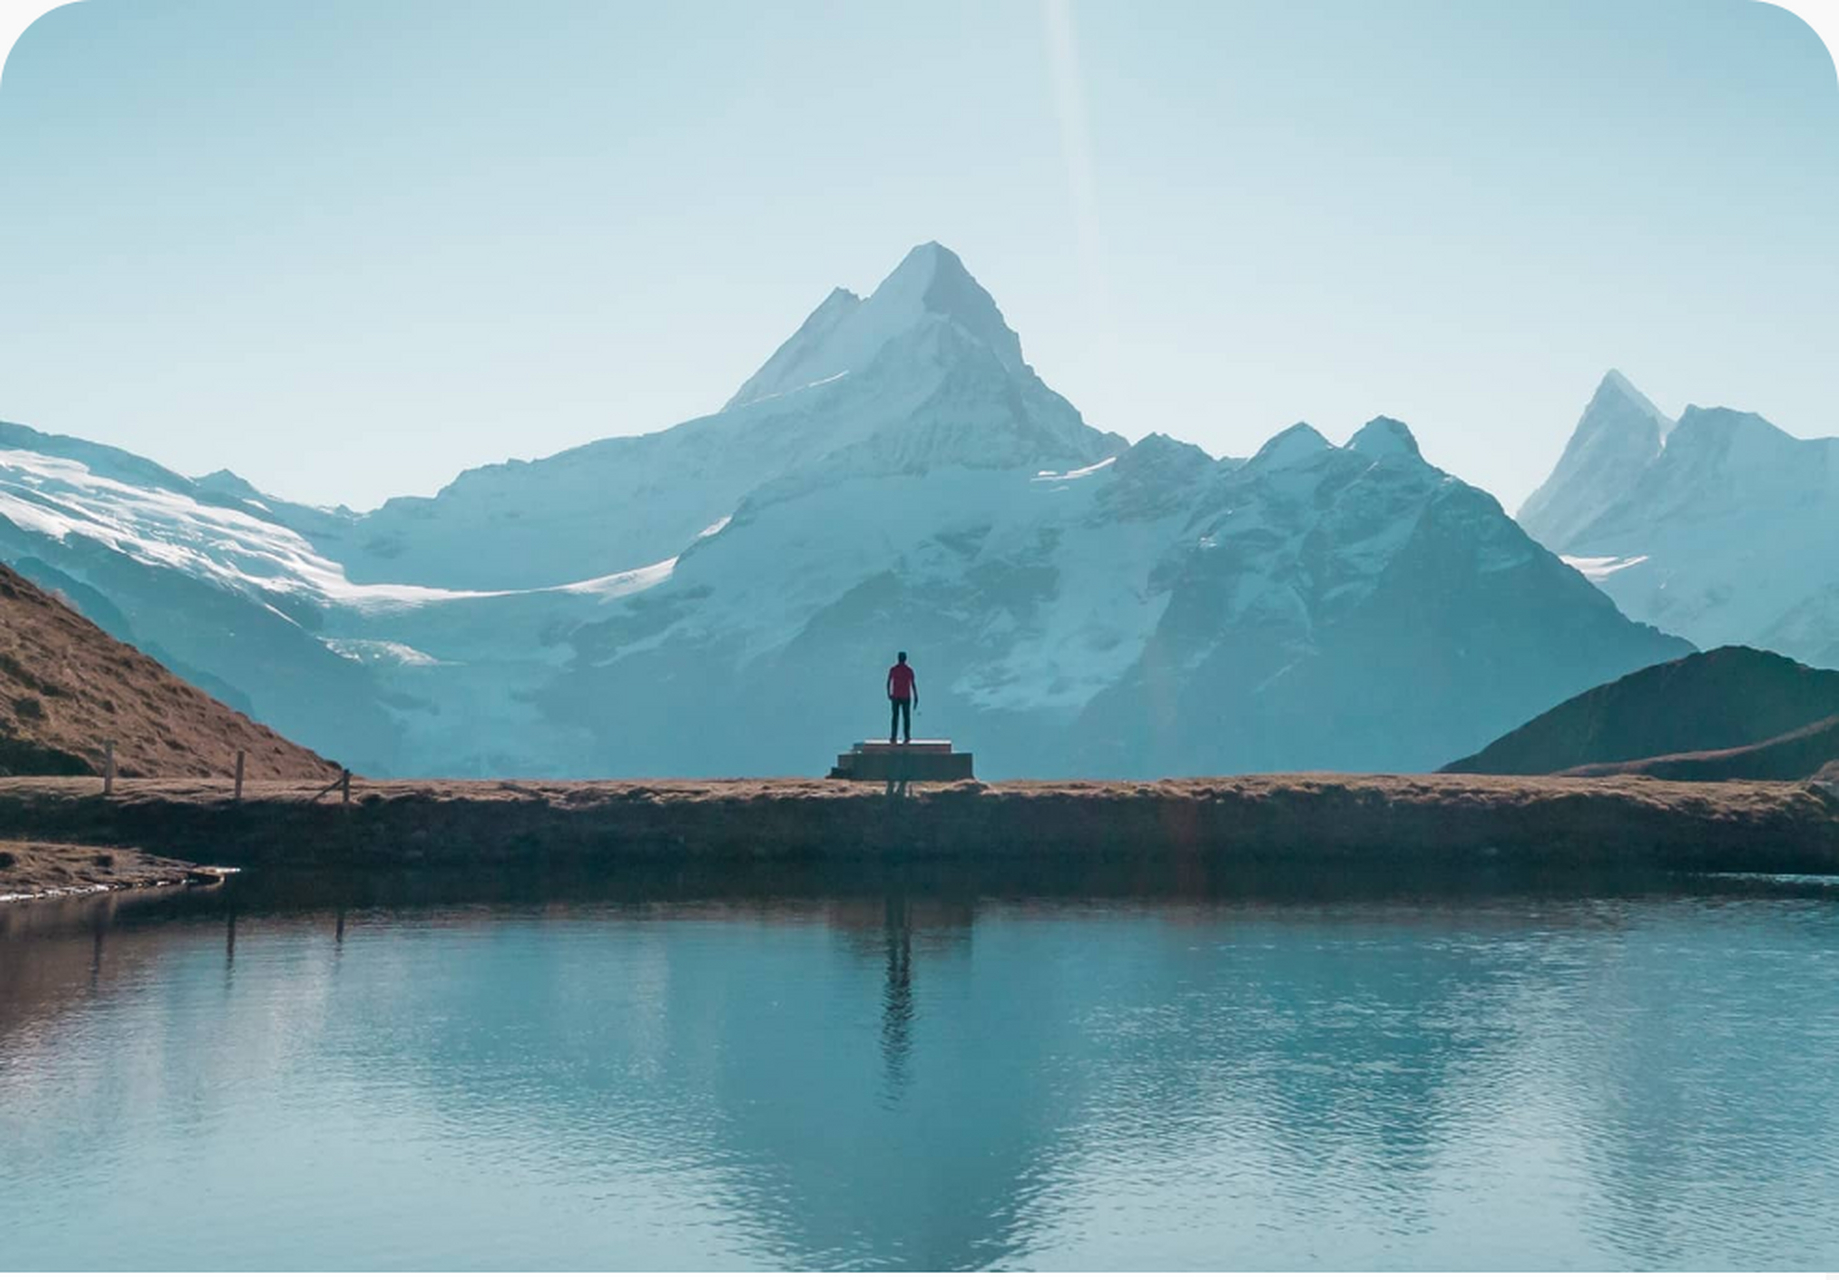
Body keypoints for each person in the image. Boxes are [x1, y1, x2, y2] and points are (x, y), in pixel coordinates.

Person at [887, 651, 918, 744]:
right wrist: (916, 696)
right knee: (906, 718)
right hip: (905, 697)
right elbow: (913, 684)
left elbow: (888, 682)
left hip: (896, 696)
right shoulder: (909, 670)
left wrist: (889, 693)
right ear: (905, 659)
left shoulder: (893, 669)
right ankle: (907, 737)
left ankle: (893, 737)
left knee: (895, 717)